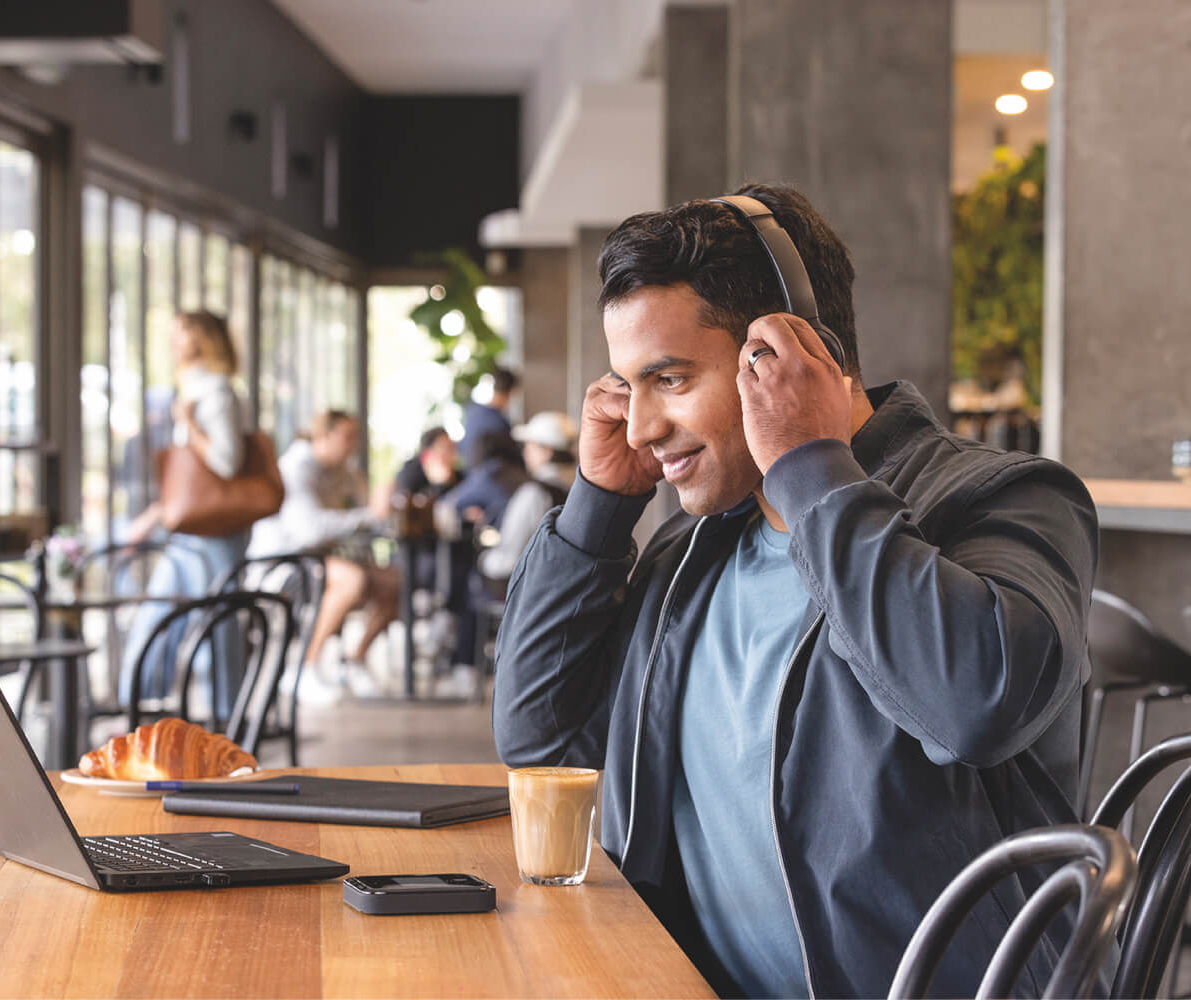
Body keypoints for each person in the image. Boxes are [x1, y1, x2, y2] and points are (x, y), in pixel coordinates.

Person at [491, 185, 1098, 998]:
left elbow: (975, 705)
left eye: (667, 379)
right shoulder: (692, 550)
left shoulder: (1004, 498)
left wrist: (810, 466)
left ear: (784, 351)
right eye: (627, 386)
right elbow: (538, 737)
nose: (638, 426)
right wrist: (599, 509)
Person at [122, 311, 252, 722]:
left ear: (201, 338)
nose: (172, 341)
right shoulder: (198, 389)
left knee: (215, 629)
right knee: (159, 620)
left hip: (213, 534)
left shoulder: (216, 392)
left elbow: (227, 463)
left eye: (181, 333)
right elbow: (189, 482)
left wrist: (190, 424)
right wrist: (155, 515)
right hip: (192, 532)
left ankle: (226, 726)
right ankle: (141, 714)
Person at [249, 409, 396, 702]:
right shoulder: (295, 468)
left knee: (393, 582)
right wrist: (368, 515)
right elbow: (311, 531)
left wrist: (378, 509)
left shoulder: (345, 472)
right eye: (346, 437)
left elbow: (367, 515)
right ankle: (303, 669)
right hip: (278, 566)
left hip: (318, 562)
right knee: (351, 580)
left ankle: (353, 661)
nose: (352, 444)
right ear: (323, 436)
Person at [477, 410, 578, 583]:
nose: (525, 453)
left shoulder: (534, 493)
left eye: (530, 446)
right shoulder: (577, 490)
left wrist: (483, 559)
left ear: (546, 451)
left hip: (535, 593)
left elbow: (508, 561)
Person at [461, 366, 519, 469]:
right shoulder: (499, 422)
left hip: (469, 475)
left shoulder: (472, 411)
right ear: (510, 392)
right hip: (491, 477)